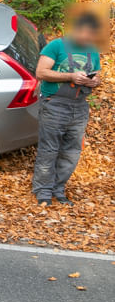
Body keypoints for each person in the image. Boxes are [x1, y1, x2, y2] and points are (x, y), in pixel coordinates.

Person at [32, 11, 103, 207]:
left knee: (71, 152)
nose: (88, 38)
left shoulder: (92, 50)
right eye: (86, 33)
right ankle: (43, 191)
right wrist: (70, 76)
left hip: (79, 106)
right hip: (55, 104)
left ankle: (58, 189)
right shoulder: (57, 46)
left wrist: (95, 81)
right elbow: (41, 72)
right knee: (49, 150)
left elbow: (96, 73)